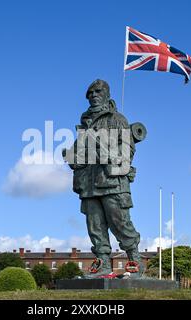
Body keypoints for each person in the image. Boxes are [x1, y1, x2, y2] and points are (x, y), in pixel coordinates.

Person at [63, 79, 143, 278]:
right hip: (88, 184)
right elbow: (77, 157)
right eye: (90, 94)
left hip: (112, 182)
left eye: (98, 92)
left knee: (119, 222)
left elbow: (127, 153)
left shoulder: (117, 119)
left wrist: (102, 150)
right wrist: (71, 156)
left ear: (107, 94)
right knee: (95, 226)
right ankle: (103, 263)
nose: (93, 96)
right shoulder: (84, 126)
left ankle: (134, 259)